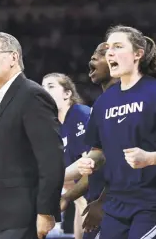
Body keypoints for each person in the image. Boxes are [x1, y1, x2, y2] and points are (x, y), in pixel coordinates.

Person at [77, 25, 156, 239]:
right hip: (116, 203)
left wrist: (151, 158)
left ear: (138, 54)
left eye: (118, 46)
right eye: (108, 47)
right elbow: (98, 151)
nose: (110, 52)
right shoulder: (103, 102)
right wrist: (90, 161)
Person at [0, 32, 65, 239]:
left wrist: (46, 211)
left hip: (20, 218)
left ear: (13, 57)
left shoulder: (31, 95)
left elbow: (51, 158)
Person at [60, 43, 118, 239]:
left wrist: (102, 201)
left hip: (123, 203)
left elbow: (122, 162)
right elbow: (97, 162)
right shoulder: (102, 103)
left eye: (99, 55)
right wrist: (68, 197)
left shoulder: (84, 113)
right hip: (102, 200)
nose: (91, 59)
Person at [42, 73, 90, 239]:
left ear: (67, 94)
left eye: (51, 86)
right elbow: (74, 188)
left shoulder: (81, 114)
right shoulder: (56, 128)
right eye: (42, 88)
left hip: (110, 194)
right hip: (86, 200)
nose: (44, 91)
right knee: (79, 200)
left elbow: (90, 165)